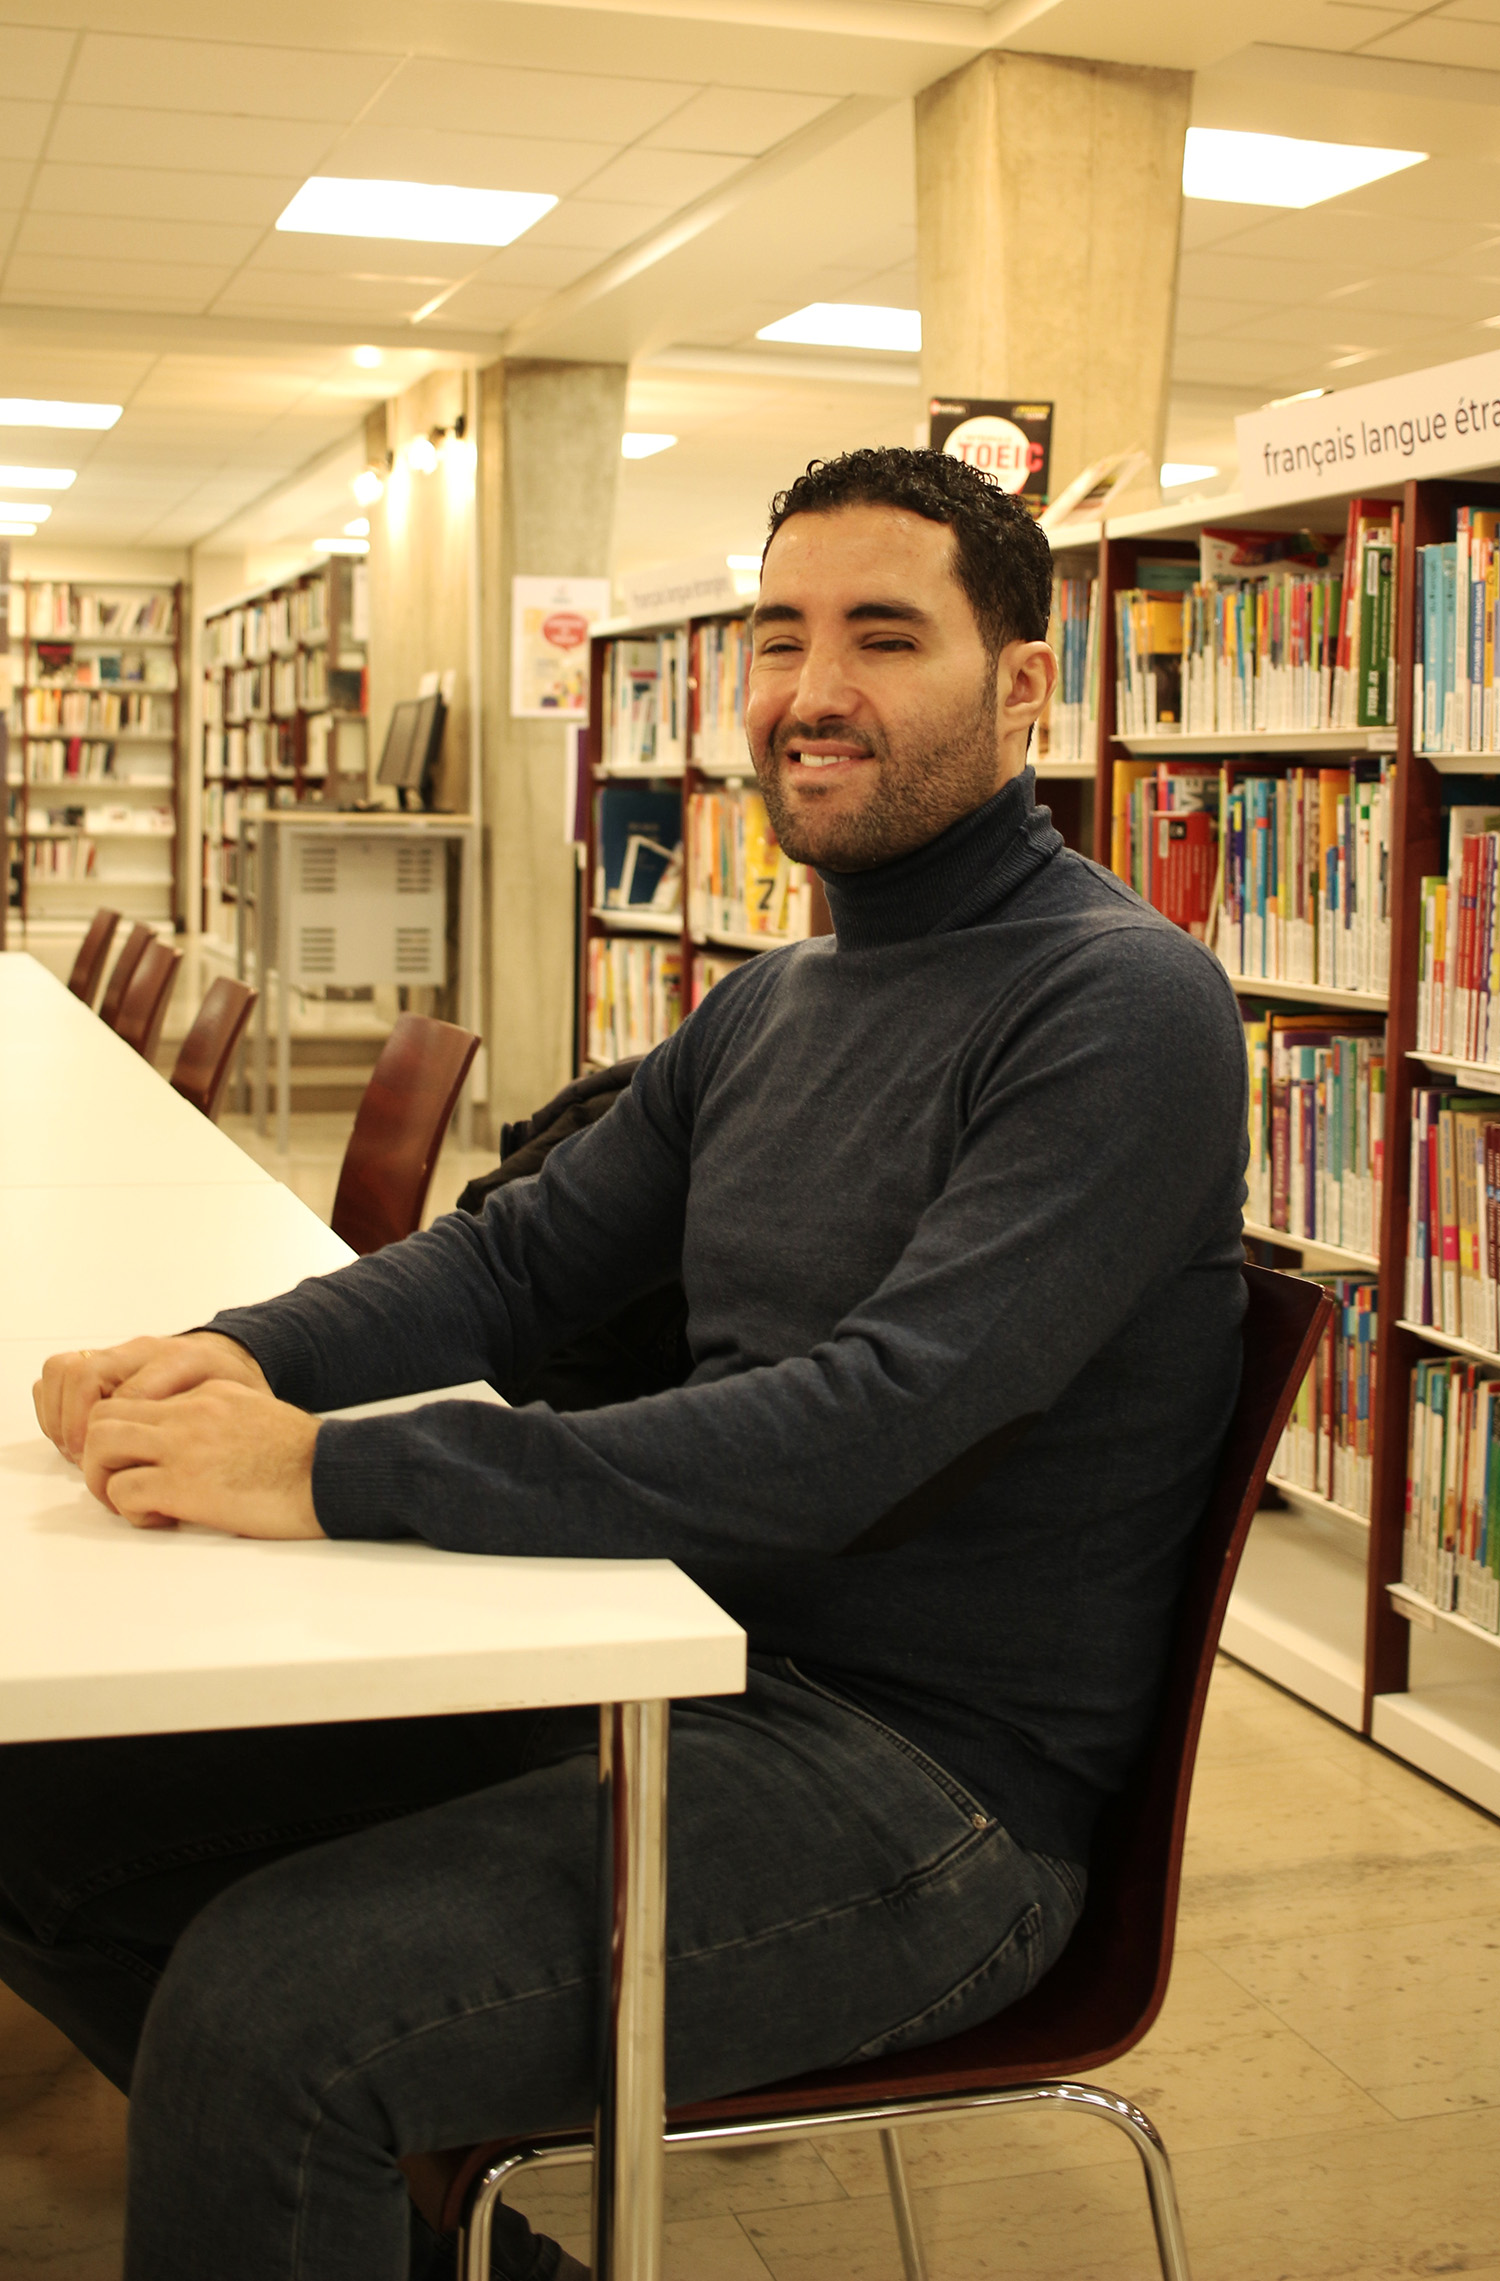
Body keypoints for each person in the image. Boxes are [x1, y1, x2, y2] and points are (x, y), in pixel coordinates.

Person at [4, 448, 1248, 2281]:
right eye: (779, 637)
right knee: (43, 1809)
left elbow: (869, 1429)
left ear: (1026, 686)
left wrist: (328, 1471)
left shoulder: (1121, 1007)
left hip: (927, 1792)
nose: (810, 693)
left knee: (279, 2017)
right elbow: (514, 1263)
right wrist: (211, 1358)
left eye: (883, 636)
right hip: (667, 1657)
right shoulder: (772, 997)